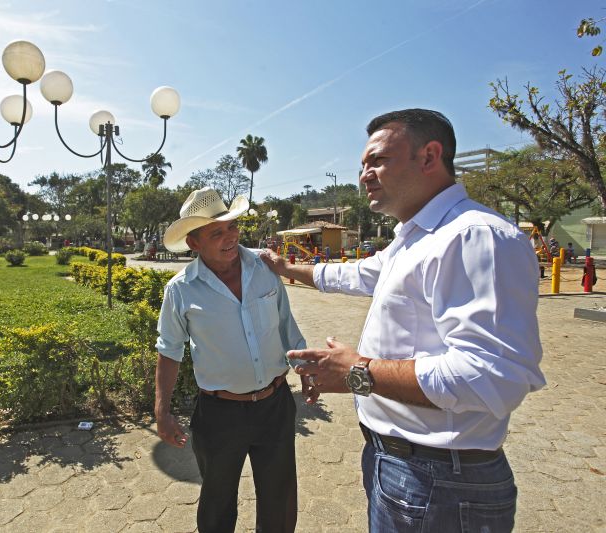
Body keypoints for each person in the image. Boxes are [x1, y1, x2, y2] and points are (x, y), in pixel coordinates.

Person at [261, 109, 545, 533]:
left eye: (377, 161)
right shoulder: (416, 237)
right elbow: (360, 273)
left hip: (443, 482)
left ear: (429, 156)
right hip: (403, 466)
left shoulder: (472, 236)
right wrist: (287, 269)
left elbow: (491, 377)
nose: (365, 176)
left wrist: (359, 373)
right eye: (363, 166)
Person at [155, 187, 306, 533]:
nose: (230, 237)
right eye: (217, 232)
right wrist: (162, 412)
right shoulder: (181, 290)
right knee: (217, 505)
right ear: (194, 244)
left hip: (275, 405)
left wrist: (304, 367)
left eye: (232, 227)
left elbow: (285, 325)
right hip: (219, 413)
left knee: (279, 501)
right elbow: (169, 349)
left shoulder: (264, 269)